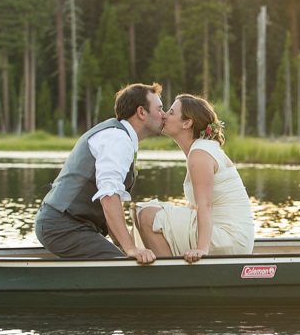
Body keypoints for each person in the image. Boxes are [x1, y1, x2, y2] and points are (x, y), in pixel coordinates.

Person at [34, 82, 164, 263]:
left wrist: (121, 245)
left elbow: (110, 204)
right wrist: (130, 248)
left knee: (124, 259)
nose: (164, 115)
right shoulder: (117, 139)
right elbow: (109, 196)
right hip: (62, 226)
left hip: (70, 225)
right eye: (160, 109)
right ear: (141, 112)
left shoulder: (120, 136)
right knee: (124, 268)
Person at [136, 94, 254, 263]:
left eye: (171, 112)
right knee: (150, 211)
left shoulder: (200, 154)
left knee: (147, 214)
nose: (164, 115)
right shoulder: (200, 150)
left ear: (187, 123)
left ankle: (171, 279)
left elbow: (204, 205)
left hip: (229, 238)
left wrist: (202, 249)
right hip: (228, 234)